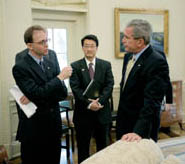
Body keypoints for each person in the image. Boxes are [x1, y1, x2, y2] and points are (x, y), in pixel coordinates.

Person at [12, 25, 72, 164]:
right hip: (34, 128)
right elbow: (38, 93)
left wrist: (37, 94)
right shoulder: (20, 66)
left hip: (53, 124)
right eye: (41, 42)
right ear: (30, 45)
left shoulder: (51, 55)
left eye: (47, 40)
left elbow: (61, 93)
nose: (47, 45)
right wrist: (59, 78)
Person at [116, 19, 169, 142]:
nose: (123, 40)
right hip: (124, 122)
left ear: (140, 41)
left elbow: (152, 102)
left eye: (126, 37)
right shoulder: (128, 56)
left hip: (141, 128)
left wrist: (138, 131)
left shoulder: (157, 62)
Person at [70, 34, 114, 163]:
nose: (89, 49)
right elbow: (75, 89)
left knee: (103, 147)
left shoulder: (105, 65)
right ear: (82, 48)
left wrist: (99, 101)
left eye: (92, 46)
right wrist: (89, 104)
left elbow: (109, 85)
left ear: (97, 48)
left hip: (102, 112)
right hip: (83, 114)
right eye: (86, 46)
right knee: (83, 148)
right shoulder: (75, 66)